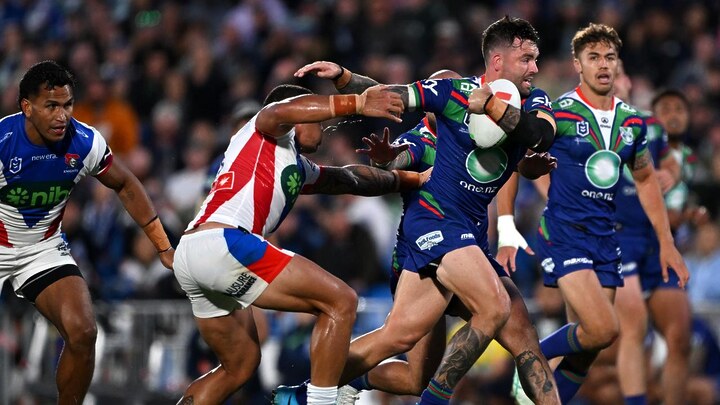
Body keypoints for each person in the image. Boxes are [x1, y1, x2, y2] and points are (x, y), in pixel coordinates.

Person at [278, 16, 560, 405]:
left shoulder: (535, 101)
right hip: (435, 224)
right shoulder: (452, 96)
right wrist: (343, 78)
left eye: (536, 59)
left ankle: (307, 393)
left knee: (421, 338)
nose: (535, 68)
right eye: (527, 58)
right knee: (494, 306)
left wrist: (503, 122)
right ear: (498, 60)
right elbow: (389, 96)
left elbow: (541, 136)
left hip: (471, 234)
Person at [171, 83, 429, 404]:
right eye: (317, 120)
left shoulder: (289, 162)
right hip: (225, 240)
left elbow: (350, 178)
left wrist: (411, 178)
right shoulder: (265, 127)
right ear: (299, 115)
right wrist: (359, 102)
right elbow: (280, 109)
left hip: (193, 252)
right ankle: (316, 401)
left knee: (239, 365)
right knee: (341, 301)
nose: (321, 128)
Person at [529, 23, 689, 404]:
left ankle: (540, 396)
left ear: (619, 65)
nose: (603, 65)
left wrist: (667, 243)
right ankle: (530, 354)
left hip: (606, 237)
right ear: (578, 65)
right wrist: (507, 222)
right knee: (604, 328)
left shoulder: (634, 122)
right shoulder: (559, 113)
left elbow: (647, 179)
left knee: (590, 346)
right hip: (566, 232)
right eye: (594, 57)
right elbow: (524, 163)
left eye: (610, 57)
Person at [0, 60, 174, 404]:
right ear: (27, 107)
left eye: (67, 105)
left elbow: (125, 183)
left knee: (83, 332)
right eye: (51, 106)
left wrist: (163, 245)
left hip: (42, 248)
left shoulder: (84, 142)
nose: (62, 115)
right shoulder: (3, 143)